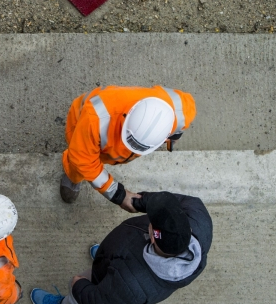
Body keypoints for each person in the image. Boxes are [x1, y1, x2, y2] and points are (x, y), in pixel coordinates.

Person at [30, 191, 212, 304]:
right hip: (118, 258)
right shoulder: (199, 218)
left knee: (82, 292)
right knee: (106, 261)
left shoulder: (130, 287)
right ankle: (105, 259)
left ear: (153, 236)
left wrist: (79, 286)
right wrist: (140, 202)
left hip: (111, 282)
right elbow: (173, 202)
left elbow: (99, 302)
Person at [60, 86, 196, 213]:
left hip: (104, 139)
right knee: (77, 162)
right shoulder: (95, 120)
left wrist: (175, 134)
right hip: (80, 124)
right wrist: (118, 195)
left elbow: (184, 116)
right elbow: (83, 160)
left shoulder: (180, 110)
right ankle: (73, 177)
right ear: (128, 116)